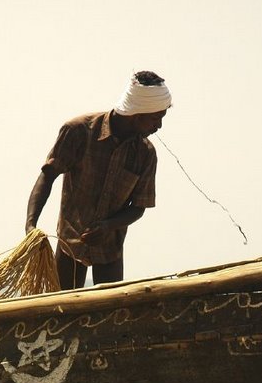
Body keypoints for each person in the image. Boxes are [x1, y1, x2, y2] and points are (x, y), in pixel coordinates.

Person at [25, 70, 172, 290]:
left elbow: (138, 208)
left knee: (110, 314)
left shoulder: (145, 153)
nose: (158, 126)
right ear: (137, 114)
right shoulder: (78, 131)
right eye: (155, 118)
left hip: (110, 249)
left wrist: (108, 226)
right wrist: (31, 226)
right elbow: (48, 176)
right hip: (69, 245)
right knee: (61, 307)